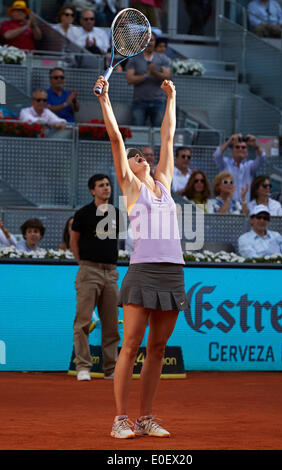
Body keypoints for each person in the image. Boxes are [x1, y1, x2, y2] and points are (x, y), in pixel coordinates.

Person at [93, 75, 188, 439]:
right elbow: (117, 139)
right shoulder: (131, 188)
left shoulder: (163, 181)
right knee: (130, 345)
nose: (139, 156)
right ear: (128, 171)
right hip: (144, 271)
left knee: (157, 348)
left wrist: (171, 98)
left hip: (173, 272)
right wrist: (104, 100)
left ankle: (145, 418)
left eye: (140, 155)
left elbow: (168, 136)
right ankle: (120, 419)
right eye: (134, 157)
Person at [70, 173, 120, 381]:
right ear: (92, 190)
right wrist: (83, 263)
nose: (106, 188)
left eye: (108, 185)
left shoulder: (116, 213)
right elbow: (74, 241)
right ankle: (83, 366)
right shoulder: (83, 214)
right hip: (89, 270)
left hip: (111, 272)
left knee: (111, 324)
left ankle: (111, 369)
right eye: (101, 185)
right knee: (83, 322)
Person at [125, 32, 171, 127]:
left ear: (155, 42)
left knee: (159, 133)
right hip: (139, 101)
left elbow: (168, 77)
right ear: (141, 42)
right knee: (138, 133)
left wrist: (154, 72)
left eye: (151, 40)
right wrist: (146, 75)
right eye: (146, 40)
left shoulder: (162, 58)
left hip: (159, 101)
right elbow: (129, 79)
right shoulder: (134, 59)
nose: (149, 43)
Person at [213, 133, 266, 203]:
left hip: (245, 208)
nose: (240, 149)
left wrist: (256, 146)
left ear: (247, 152)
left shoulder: (250, 166)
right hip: (228, 208)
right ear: (231, 151)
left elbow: (262, 158)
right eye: (237, 147)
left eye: (243, 147)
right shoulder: (225, 164)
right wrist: (229, 141)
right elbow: (217, 155)